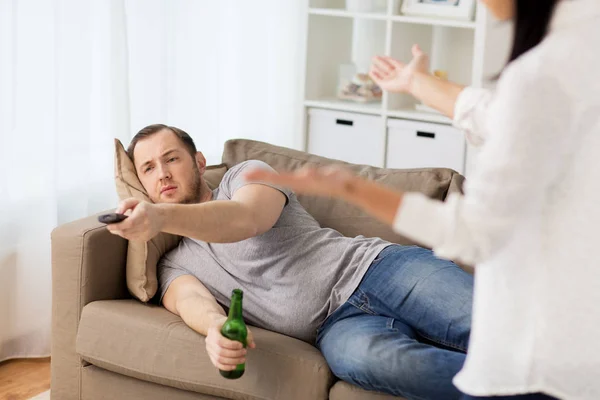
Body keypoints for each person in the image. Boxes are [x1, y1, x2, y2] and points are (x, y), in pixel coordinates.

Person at [246, 0, 600, 399]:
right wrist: (417, 83)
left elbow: (474, 232)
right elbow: (504, 116)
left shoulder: (542, 73)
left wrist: (354, 188)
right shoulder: (580, 44)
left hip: (555, 329)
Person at [107, 123, 474, 400]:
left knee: (487, 324)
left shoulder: (246, 175)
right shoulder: (175, 262)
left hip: (377, 269)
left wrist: (160, 217)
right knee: (372, 363)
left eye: (171, 158)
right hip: (336, 328)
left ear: (199, 163)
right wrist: (216, 328)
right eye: (149, 168)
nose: (164, 174)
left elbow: (246, 219)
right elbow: (190, 302)